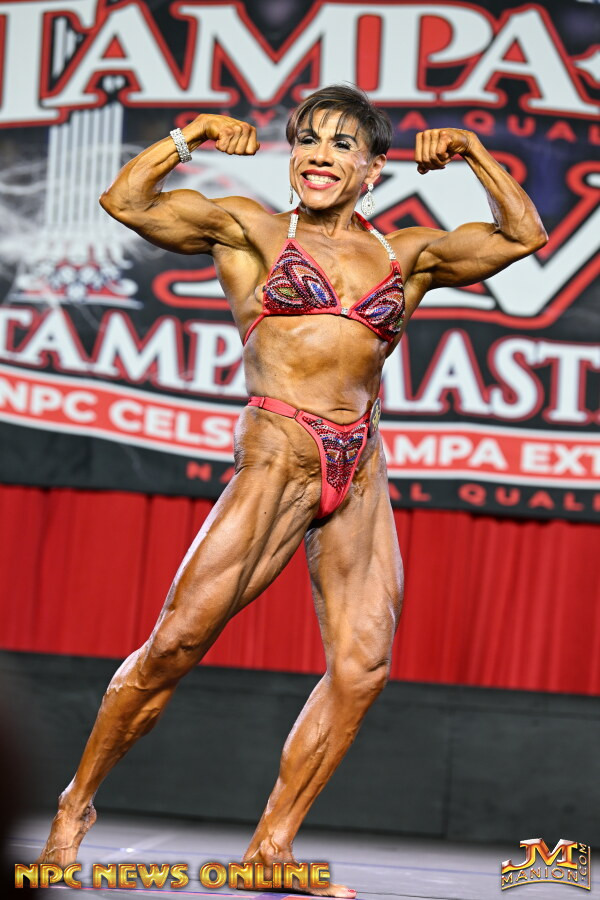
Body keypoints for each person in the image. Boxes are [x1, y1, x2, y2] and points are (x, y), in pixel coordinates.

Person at [37, 85, 547, 895]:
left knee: (363, 666)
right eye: (308, 139)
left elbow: (524, 235)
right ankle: (75, 805)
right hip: (278, 456)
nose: (320, 154)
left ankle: (270, 850)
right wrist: (190, 135)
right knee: (175, 644)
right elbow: (125, 202)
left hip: (361, 467)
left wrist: (476, 154)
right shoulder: (252, 230)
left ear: (372, 170)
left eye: (342, 144)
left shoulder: (406, 256)